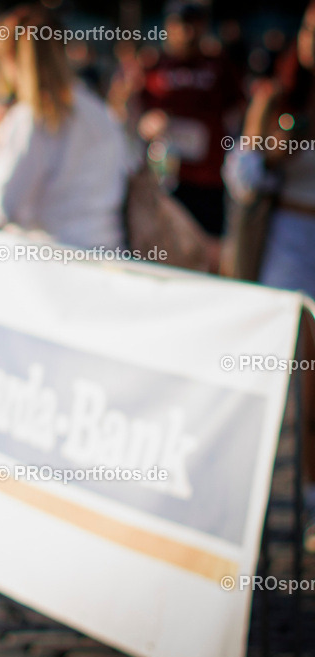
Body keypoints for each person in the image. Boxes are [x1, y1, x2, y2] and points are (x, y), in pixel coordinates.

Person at [224, 1, 315, 552]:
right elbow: (241, 177)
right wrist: (266, 156)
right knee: (299, 384)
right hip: (288, 246)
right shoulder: (275, 97)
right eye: (308, 27)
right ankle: (277, 510)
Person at [0, 5, 128, 250]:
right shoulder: (99, 111)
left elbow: (0, 210)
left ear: (10, 59)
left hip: (51, 263)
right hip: (107, 254)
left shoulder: (28, 118)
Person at [136, 1, 244, 237]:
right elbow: (134, 118)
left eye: (193, 25)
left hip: (208, 181)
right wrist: (149, 124)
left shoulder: (219, 66)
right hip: (165, 180)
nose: (186, 33)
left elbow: (240, 113)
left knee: (207, 251)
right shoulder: (153, 66)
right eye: (180, 25)